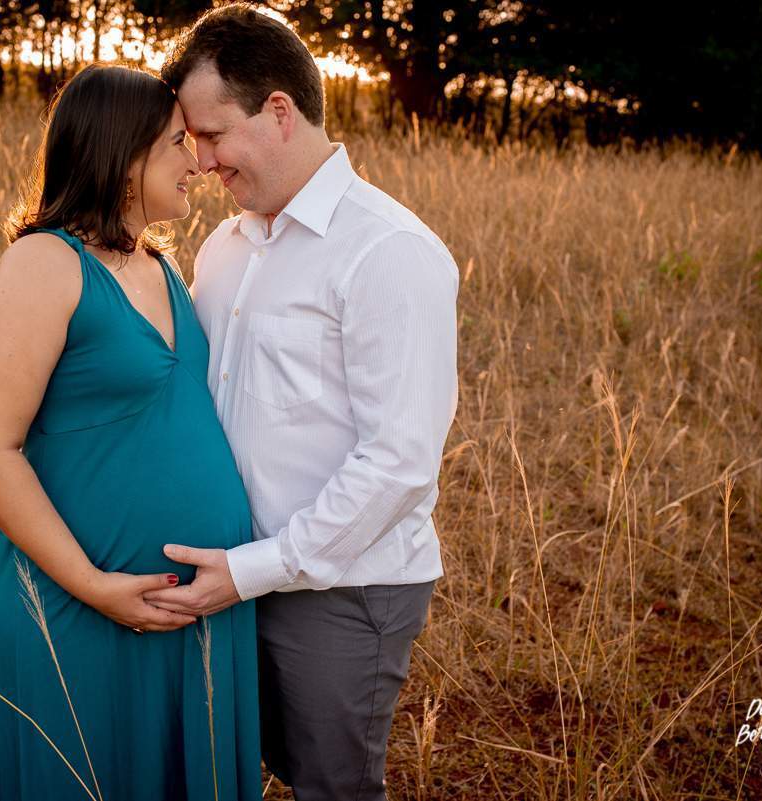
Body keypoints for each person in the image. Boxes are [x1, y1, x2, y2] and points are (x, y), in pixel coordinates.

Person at [145, 6, 460, 800]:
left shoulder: (390, 252)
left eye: (213, 135)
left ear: (279, 111)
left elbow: (399, 465)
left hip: (341, 588)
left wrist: (255, 570)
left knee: (330, 786)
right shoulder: (225, 246)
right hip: (230, 574)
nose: (201, 161)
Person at [0, 63, 261, 801]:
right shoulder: (46, 261)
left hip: (187, 616)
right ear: (124, 158)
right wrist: (95, 586)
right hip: (75, 611)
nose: (197, 162)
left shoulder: (161, 266)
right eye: (176, 142)